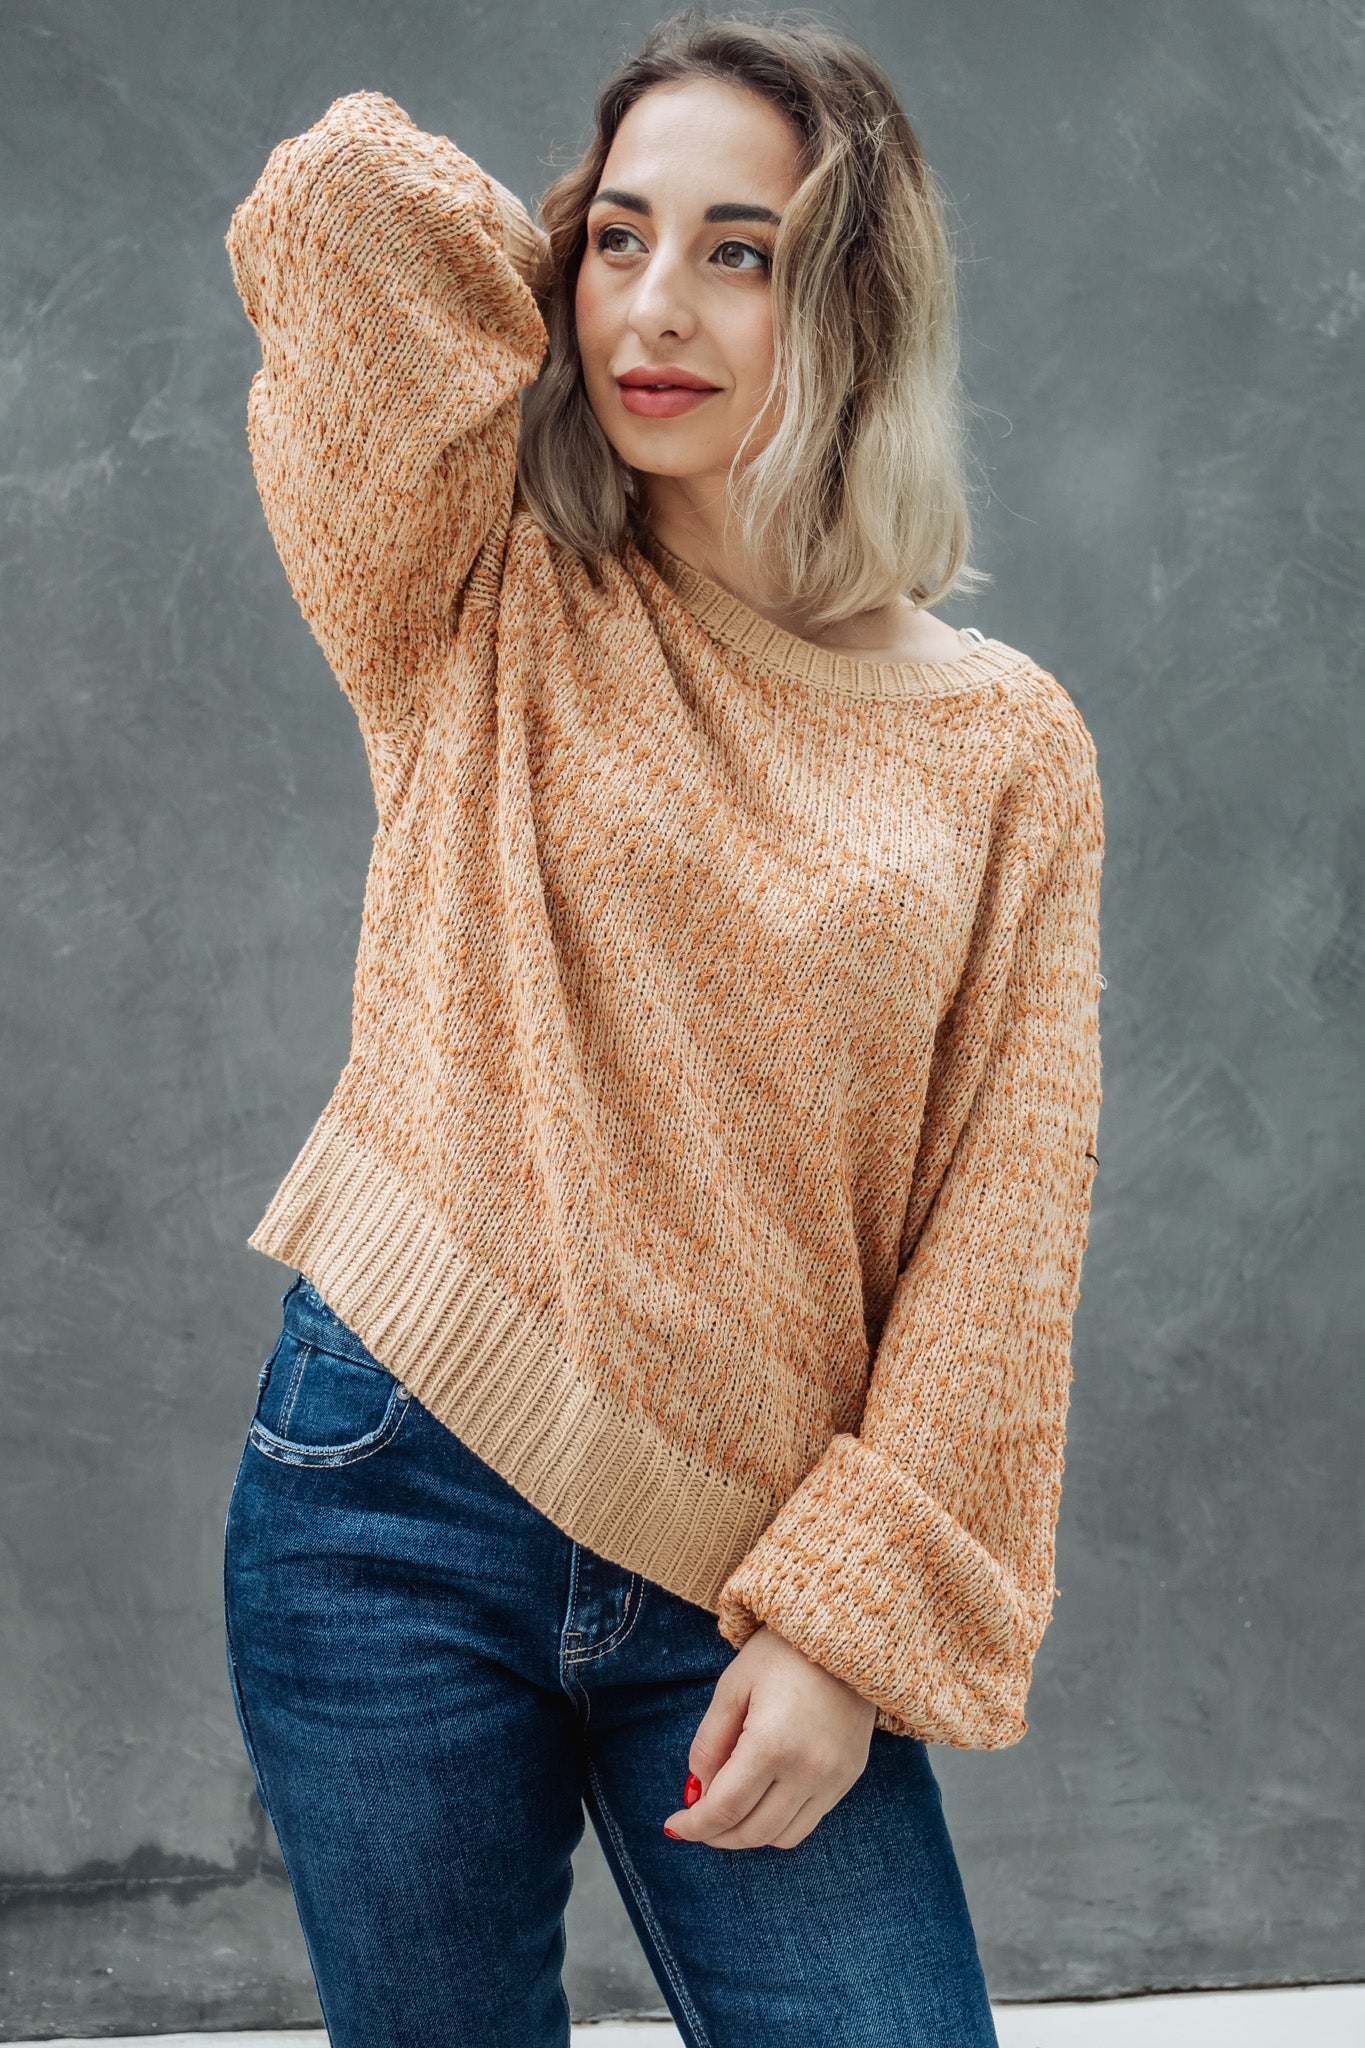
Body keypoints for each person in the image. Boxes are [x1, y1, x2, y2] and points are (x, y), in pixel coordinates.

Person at [221, 11, 1103, 2045]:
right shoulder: (475, 575)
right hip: (383, 1496)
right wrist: (572, 259)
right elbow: (334, 201)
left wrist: (841, 1629)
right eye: (619, 238)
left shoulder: (1000, 746)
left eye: (741, 252)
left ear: (852, 301)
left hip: (748, 1558)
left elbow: (1000, 1222)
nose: (653, 308)